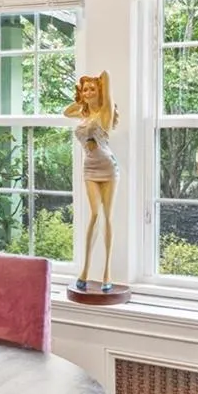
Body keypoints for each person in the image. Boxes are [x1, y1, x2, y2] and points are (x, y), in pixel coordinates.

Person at [64, 71, 120, 290]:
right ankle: (85, 270)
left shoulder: (105, 113)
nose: (88, 92)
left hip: (108, 167)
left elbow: (106, 75)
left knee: (106, 216)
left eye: (92, 89)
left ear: (100, 92)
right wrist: (82, 99)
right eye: (85, 89)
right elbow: (66, 111)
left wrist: (100, 85)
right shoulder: (83, 114)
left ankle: (107, 272)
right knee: (94, 214)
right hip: (89, 168)